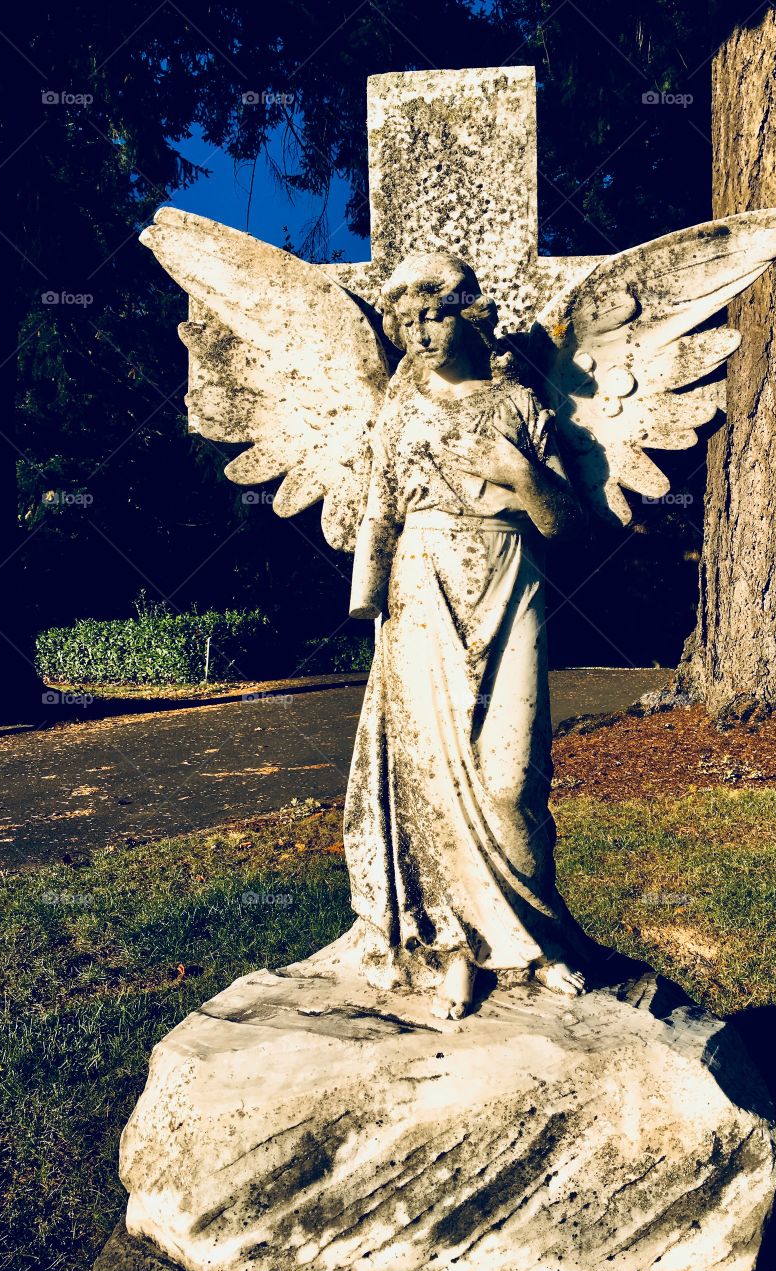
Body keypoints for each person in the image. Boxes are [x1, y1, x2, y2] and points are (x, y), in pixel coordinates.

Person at [344, 251, 591, 1020]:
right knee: (431, 779)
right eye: (406, 322)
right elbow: (379, 510)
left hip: (510, 579)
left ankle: (535, 936)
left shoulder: (522, 404)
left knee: (512, 779)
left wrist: (520, 474)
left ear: (468, 313)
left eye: (435, 316)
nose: (420, 333)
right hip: (420, 591)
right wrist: (370, 598)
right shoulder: (400, 409)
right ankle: (457, 949)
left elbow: (566, 524)